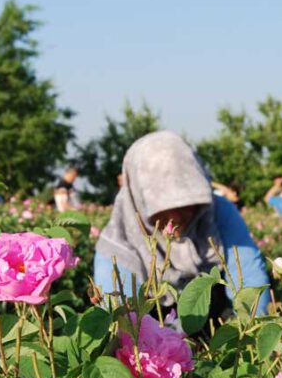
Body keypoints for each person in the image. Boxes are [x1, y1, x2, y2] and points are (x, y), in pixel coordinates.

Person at [94, 131, 271, 322]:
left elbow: (249, 280)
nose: (175, 218)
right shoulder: (118, 240)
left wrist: (250, 332)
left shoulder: (218, 212)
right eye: (164, 207)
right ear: (139, 201)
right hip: (148, 340)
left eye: (185, 205)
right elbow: (121, 318)